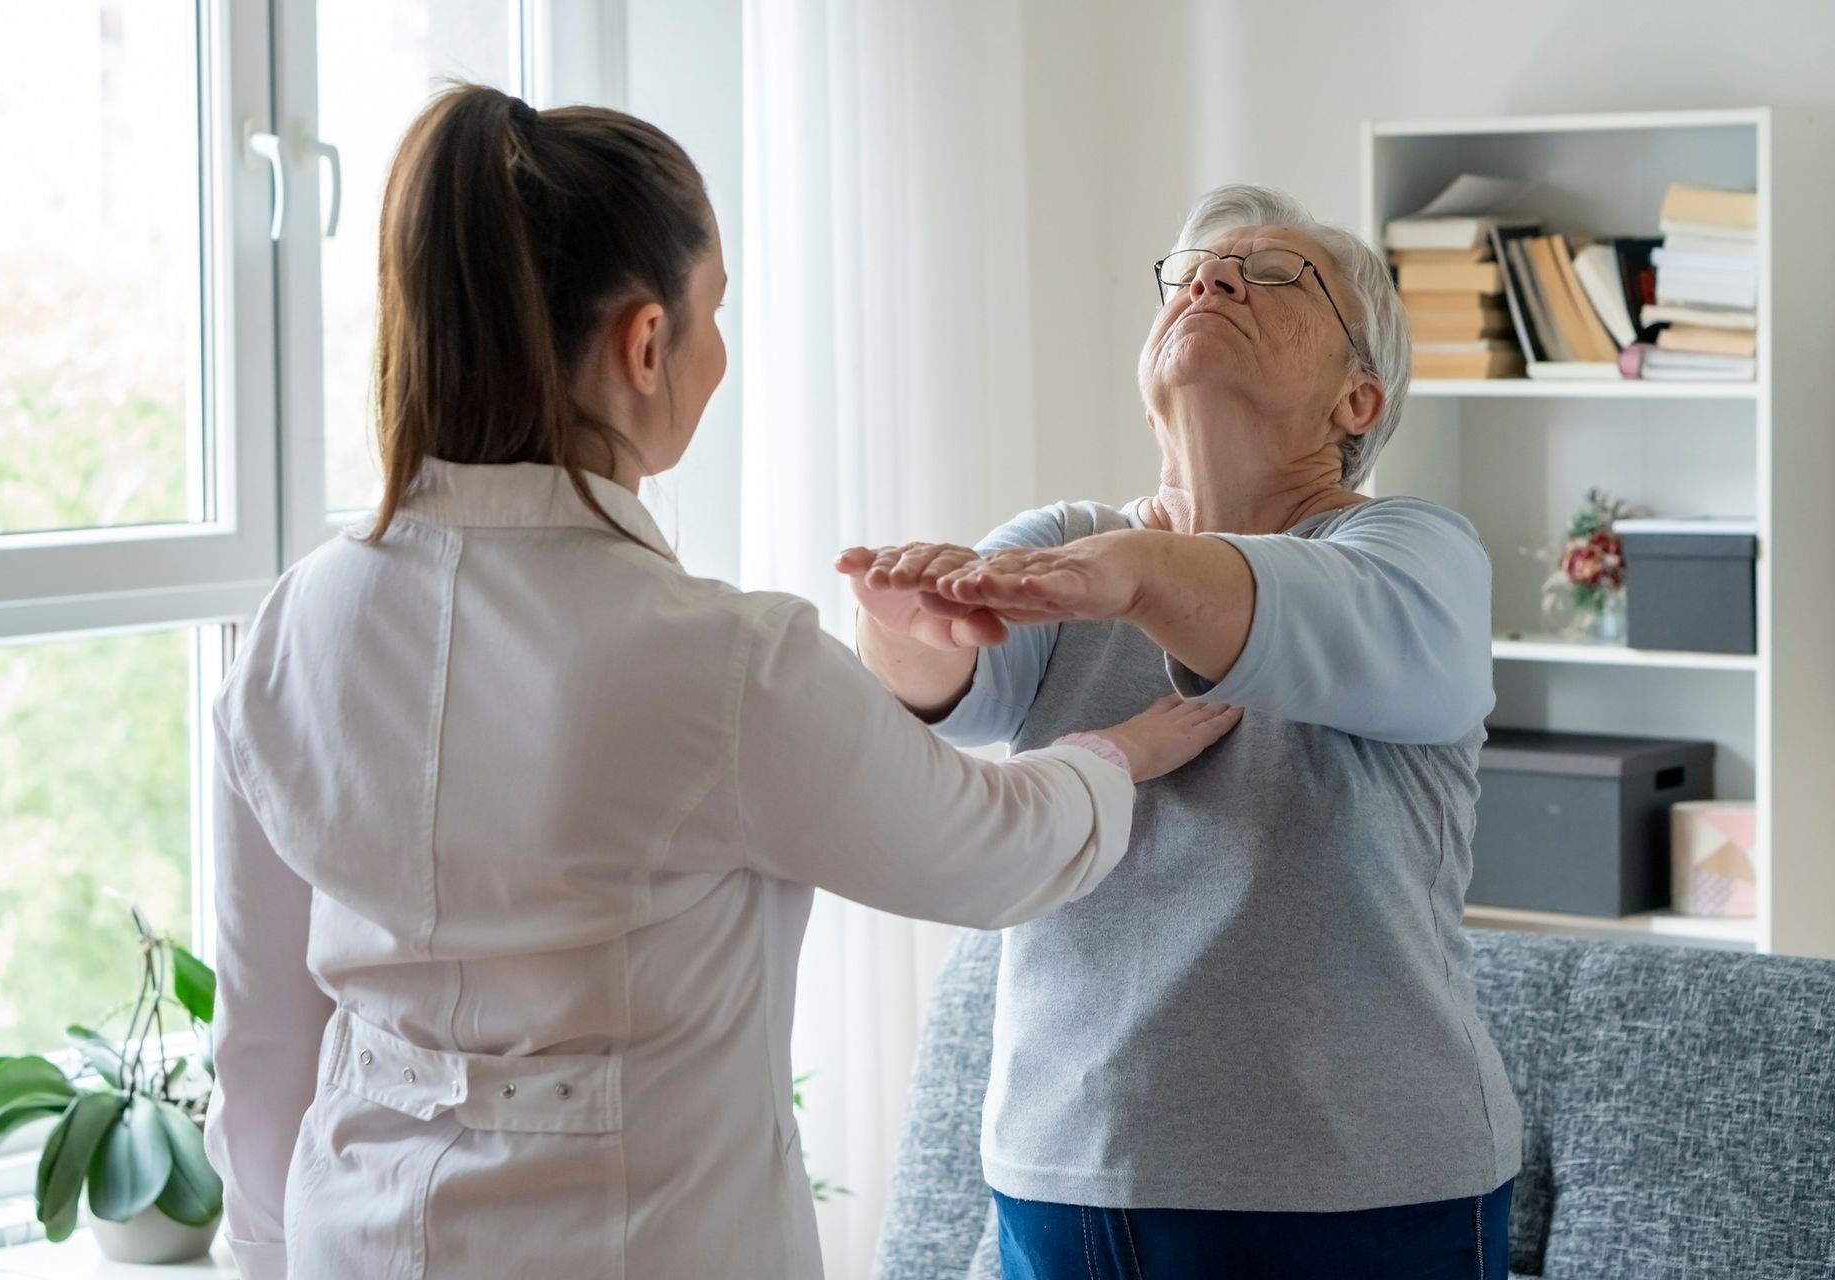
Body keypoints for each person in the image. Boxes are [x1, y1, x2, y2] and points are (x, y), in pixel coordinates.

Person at [203, 86, 1240, 1280]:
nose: (720, 353)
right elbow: (990, 850)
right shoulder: (717, 658)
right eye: (713, 314)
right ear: (646, 344)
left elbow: (264, 1029)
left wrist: (269, 1251)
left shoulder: (296, 619)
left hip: (355, 1241)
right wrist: (1122, 750)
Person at [842, 184, 1520, 1279]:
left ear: (1359, 399)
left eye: (1272, 275)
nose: (1208, 280)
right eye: (1195, 271)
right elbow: (942, 691)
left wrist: (1138, 568)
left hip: (1360, 1184)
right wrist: (911, 626)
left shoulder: (1416, 556)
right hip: (1068, 1167)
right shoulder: (1073, 545)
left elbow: (1282, 608)